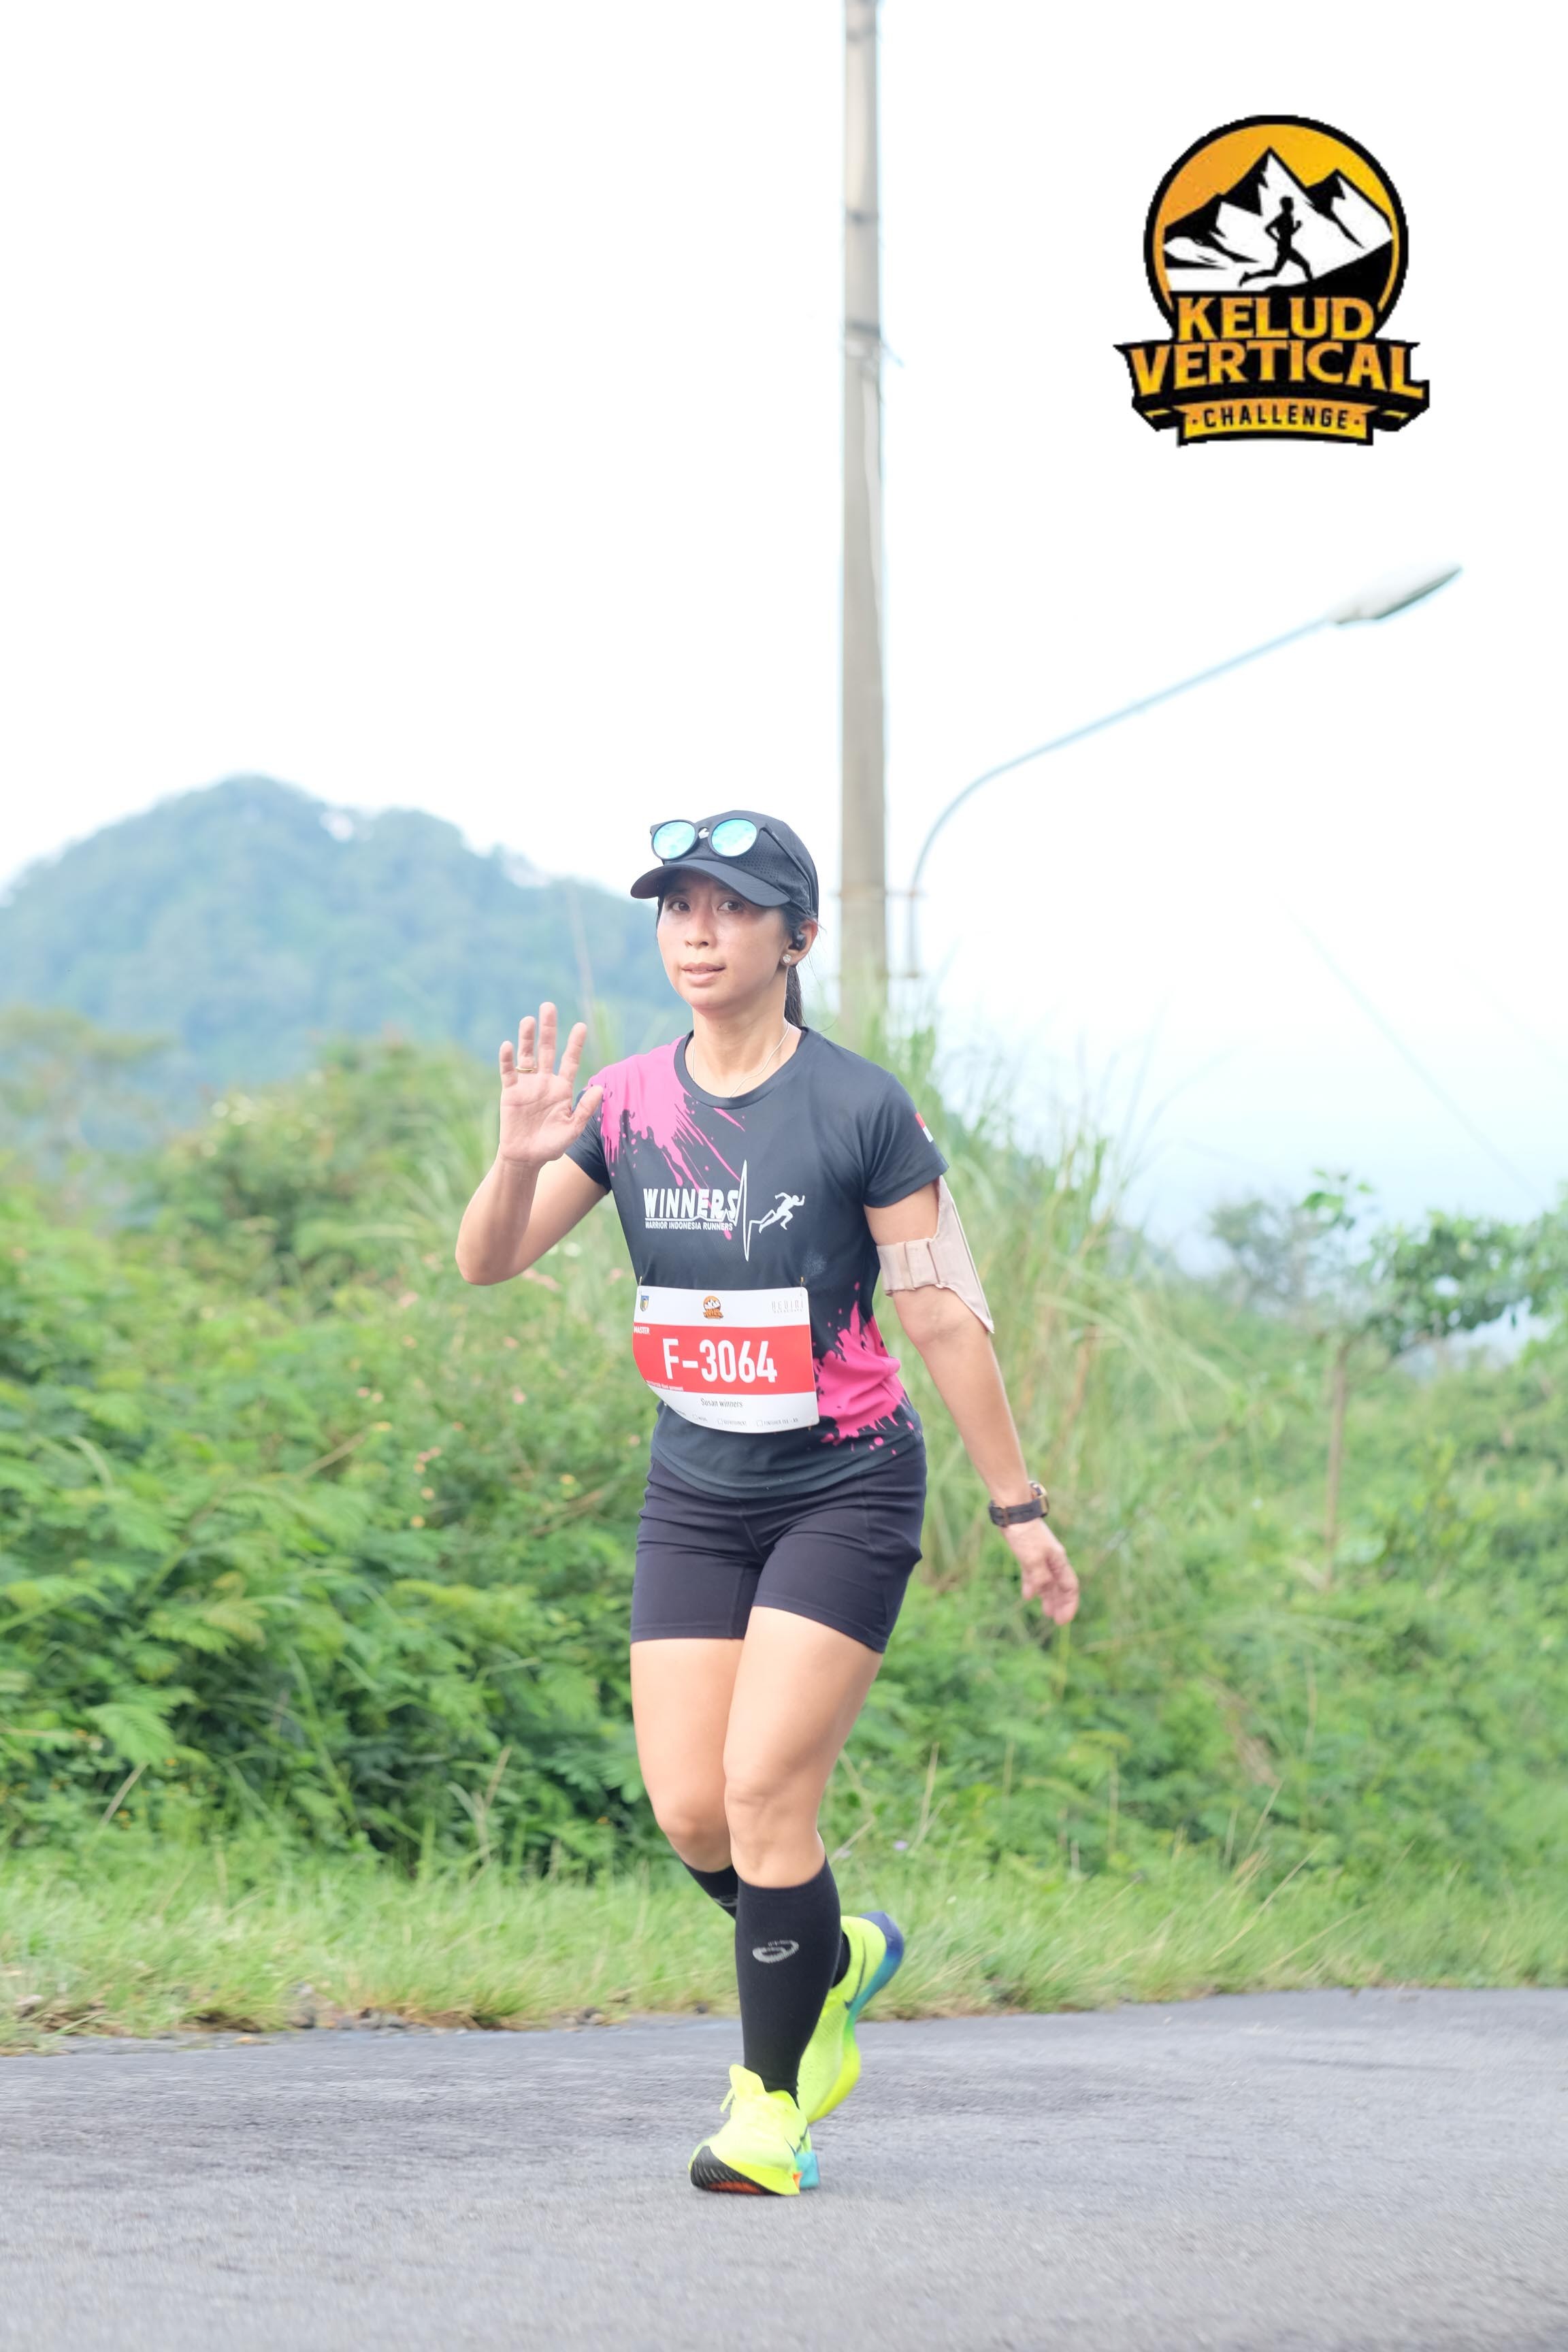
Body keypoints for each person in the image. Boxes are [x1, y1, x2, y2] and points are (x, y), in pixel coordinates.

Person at [455, 808, 1078, 2196]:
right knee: (693, 1814)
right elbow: (488, 1263)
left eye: (732, 908)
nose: (699, 932)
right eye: (678, 907)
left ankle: (771, 2108)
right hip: (697, 1490)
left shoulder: (861, 1108)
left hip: (844, 1487)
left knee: (763, 1791)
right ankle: (829, 1957)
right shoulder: (627, 1104)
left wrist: (1018, 1506)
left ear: (796, 936)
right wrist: (516, 1156)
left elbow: (942, 1315)